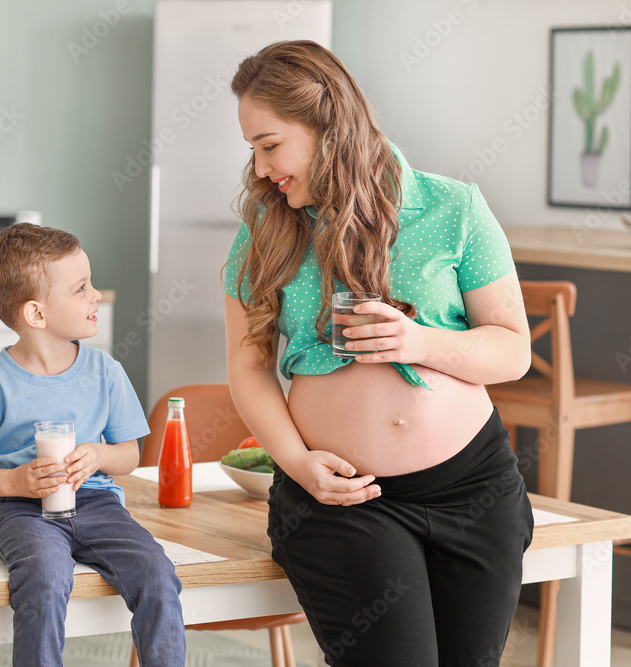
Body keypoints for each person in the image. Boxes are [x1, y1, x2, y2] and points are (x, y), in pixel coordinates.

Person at [224, 40, 535, 666]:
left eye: (269, 145)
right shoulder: (267, 228)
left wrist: (420, 342)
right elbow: (249, 363)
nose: (260, 169)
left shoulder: (455, 208)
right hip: (342, 499)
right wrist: (296, 462)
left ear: (326, 125)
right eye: (253, 150)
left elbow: (513, 351)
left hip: (472, 488)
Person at [0, 223, 186, 667]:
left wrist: (98, 455)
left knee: (157, 572)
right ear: (36, 314)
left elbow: (130, 455)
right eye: (81, 288)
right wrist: (13, 479)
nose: (96, 296)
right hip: (17, 508)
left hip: (97, 502)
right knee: (45, 575)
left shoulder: (105, 372)